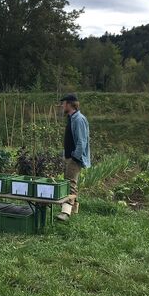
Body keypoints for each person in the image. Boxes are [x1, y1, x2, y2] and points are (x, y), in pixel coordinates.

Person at [57, 93, 91, 222]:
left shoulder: (79, 119)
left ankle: (65, 213)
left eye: (64, 103)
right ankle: (74, 210)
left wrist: (74, 157)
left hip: (74, 158)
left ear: (70, 104)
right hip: (69, 156)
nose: (62, 106)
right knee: (69, 182)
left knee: (70, 184)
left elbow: (82, 142)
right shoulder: (71, 118)